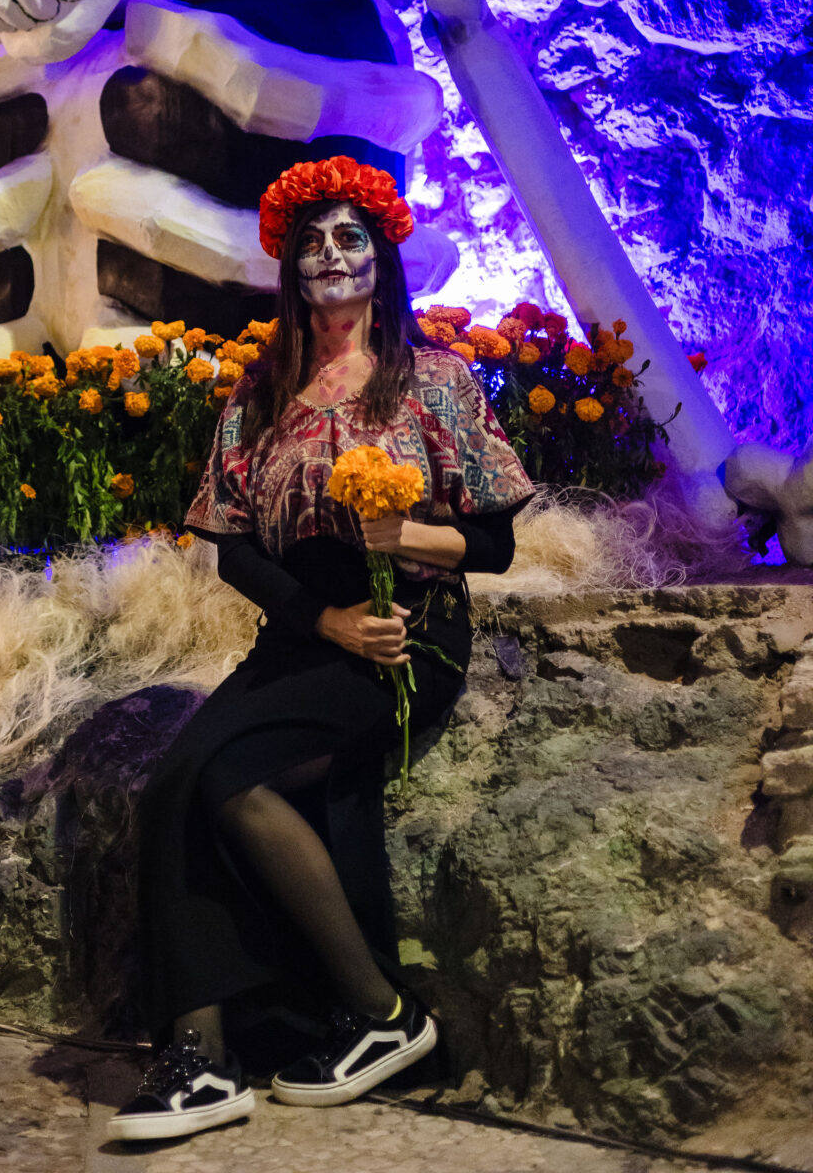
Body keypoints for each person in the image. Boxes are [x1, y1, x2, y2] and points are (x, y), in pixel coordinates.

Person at [108, 156, 534, 1145]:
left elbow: (495, 544)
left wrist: (406, 539)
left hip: (403, 635)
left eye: (349, 238)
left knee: (232, 779)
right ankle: (201, 1059)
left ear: (381, 257)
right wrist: (323, 621)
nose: (331, 256)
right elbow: (232, 549)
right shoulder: (258, 397)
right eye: (311, 243)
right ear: (289, 269)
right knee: (177, 780)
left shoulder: (434, 382)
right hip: (305, 631)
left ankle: (377, 1014)